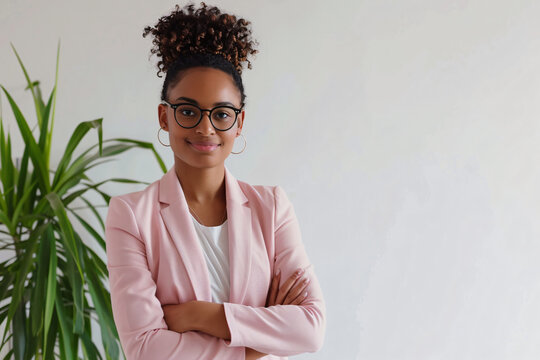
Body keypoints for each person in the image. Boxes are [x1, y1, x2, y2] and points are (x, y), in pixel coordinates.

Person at [104, 2, 326, 359]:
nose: (205, 127)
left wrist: (199, 315)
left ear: (239, 123)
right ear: (165, 116)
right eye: (188, 111)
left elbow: (310, 329)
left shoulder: (272, 208)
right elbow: (144, 349)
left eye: (221, 114)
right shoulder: (131, 216)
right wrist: (255, 347)